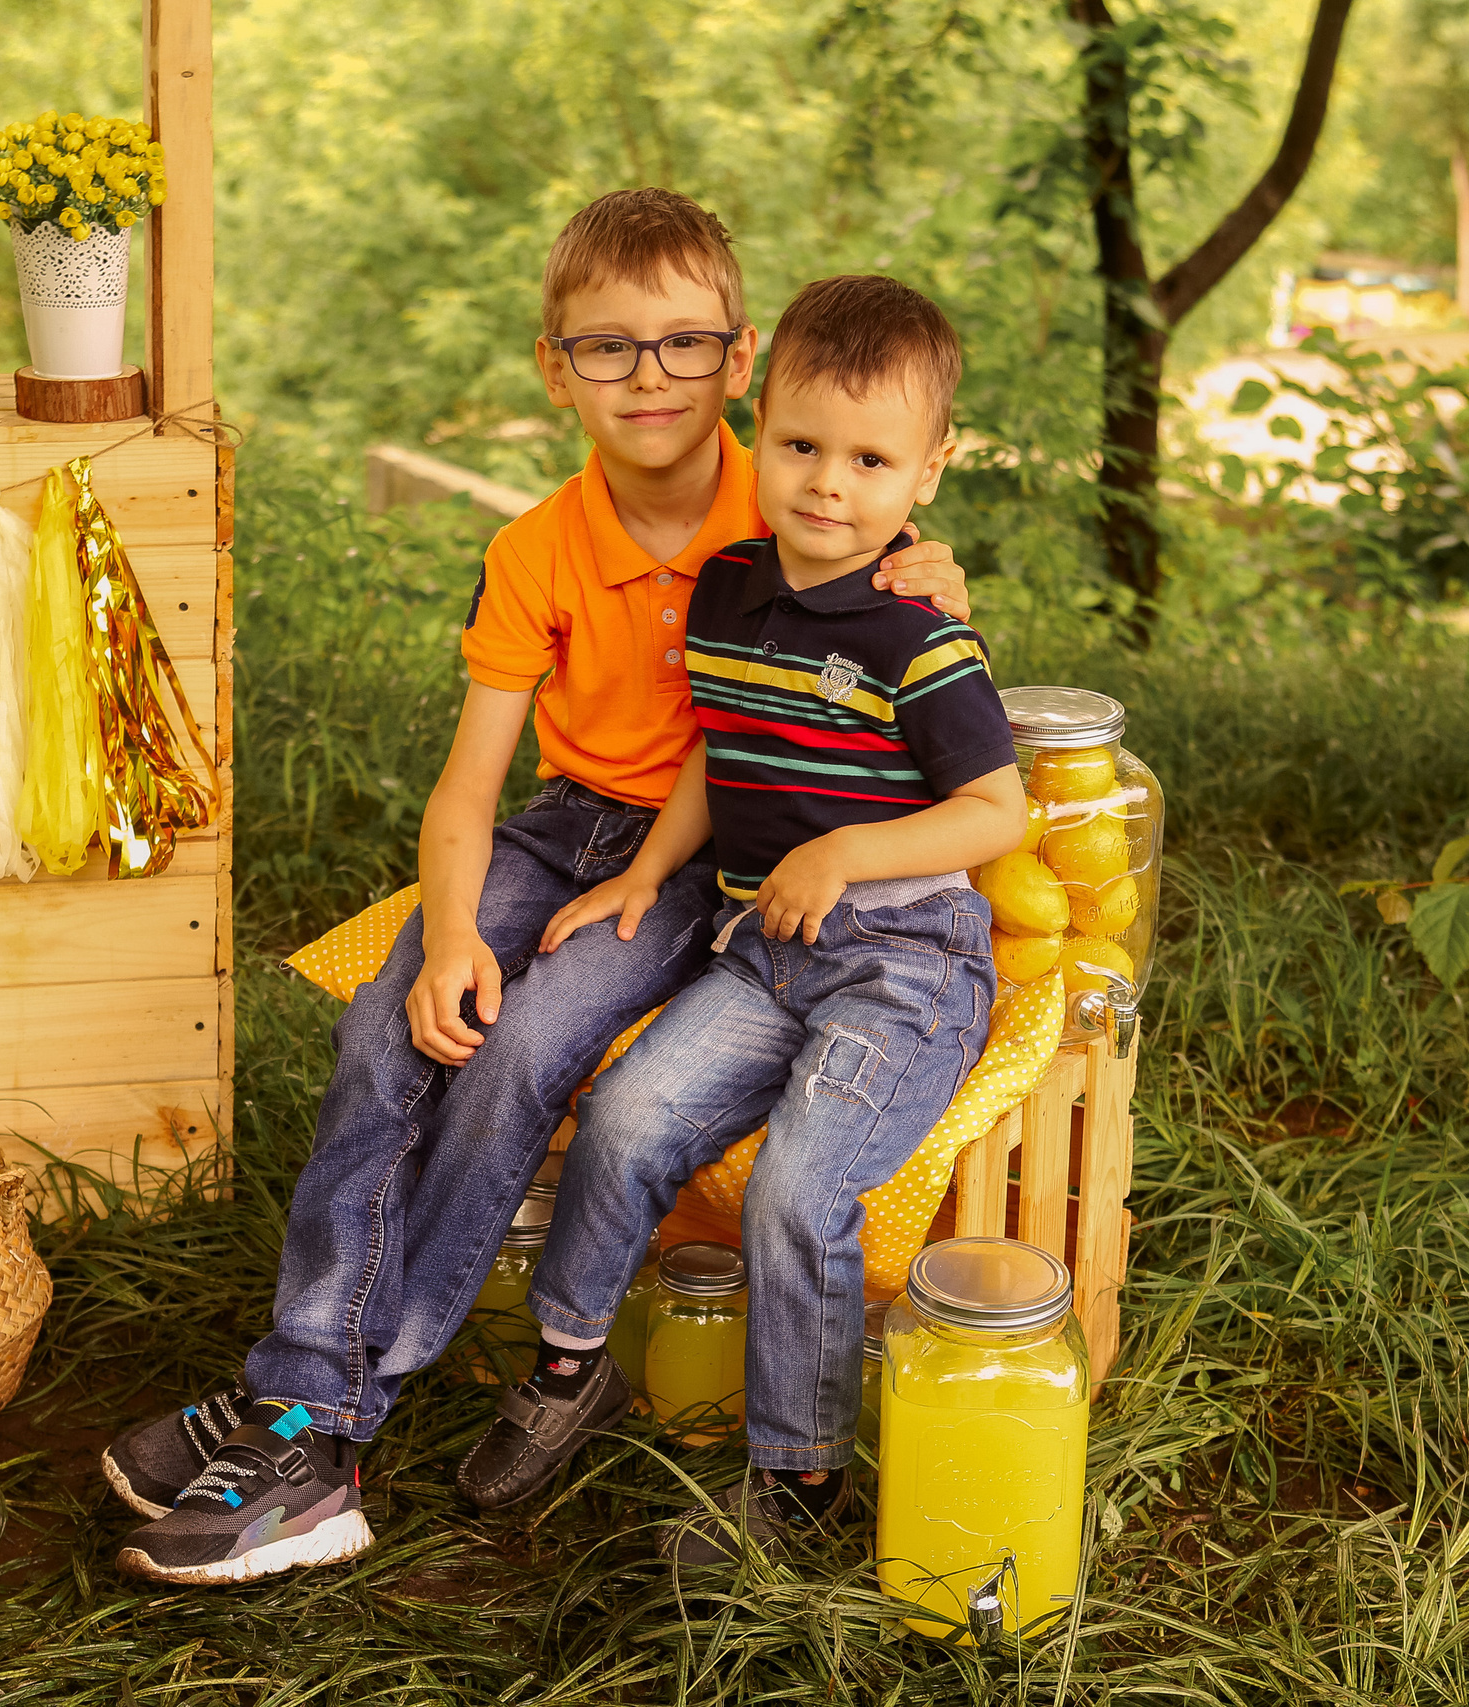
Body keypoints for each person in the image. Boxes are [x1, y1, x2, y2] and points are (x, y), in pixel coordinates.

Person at [107, 191, 972, 1586]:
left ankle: (319, 1418)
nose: (649, 377)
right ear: (553, 367)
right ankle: (305, 1389)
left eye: (684, 344)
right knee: (390, 1026)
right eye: (607, 347)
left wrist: (938, 577)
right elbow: (468, 789)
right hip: (561, 825)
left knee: (516, 1050)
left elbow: (899, 620)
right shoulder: (537, 548)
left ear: (741, 361)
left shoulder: (797, 489)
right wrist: (453, 930)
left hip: (699, 860)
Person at [452, 274, 1024, 1563]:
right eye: (803, 445)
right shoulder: (727, 592)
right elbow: (721, 752)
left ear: (927, 472)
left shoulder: (924, 637)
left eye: (871, 461)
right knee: (625, 1118)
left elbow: (997, 813)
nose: (828, 485)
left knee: (795, 1188)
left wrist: (845, 854)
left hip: (906, 964)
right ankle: (571, 1366)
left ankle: (799, 1479)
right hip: (765, 952)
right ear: (757, 428)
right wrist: (646, 874)